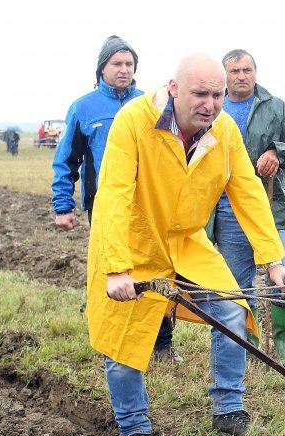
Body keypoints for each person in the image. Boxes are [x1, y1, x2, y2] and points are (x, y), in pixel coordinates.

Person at [87, 53, 285, 436]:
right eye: (200, 93)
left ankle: (228, 407)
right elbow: (112, 194)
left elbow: (246, 191)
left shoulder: (224, 131)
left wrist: (273, 260)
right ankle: (133, 426)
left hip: (185, 242)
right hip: (132, 243)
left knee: (232, 307)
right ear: (174, 89)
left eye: (217, 94)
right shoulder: (134, 121)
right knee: (124, 336)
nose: (209, 104)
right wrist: (116, 269)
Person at [50, 36, 182, 364]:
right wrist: (63, 205)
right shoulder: (84, 108)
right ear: (102, 68)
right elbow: (66, 159)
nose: (124, 70)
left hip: (151, 206)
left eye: (129, 64)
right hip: (106, 206)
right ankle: (115, 343)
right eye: (116, 64)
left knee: (158, 271)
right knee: (115, 269)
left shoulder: (151, 104)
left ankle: (162, 344)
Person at [214, 48, 285, 365]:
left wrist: (278, 153)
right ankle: (249, 338)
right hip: (226, 210)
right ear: (223, 76)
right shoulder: (213, 108)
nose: (242, 76)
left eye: (247, 70)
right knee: (237, 281)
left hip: (272, 207)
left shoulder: (275, 108)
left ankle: (282, 340)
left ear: (256, 72)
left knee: (281, 277)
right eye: (234, 71)